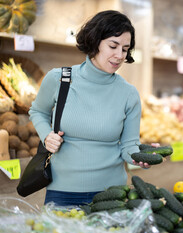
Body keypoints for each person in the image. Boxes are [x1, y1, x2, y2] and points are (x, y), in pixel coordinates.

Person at [29, 10, 154, 206]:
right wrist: (46, 135)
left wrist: (140, 157)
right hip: (61, 191)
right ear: (95, 41)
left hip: (112, 195)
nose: (119, 55)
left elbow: (128, 146)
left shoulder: (129, 94)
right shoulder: (59, 79)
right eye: (113, 46)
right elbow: (38, 111)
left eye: (125, 49)